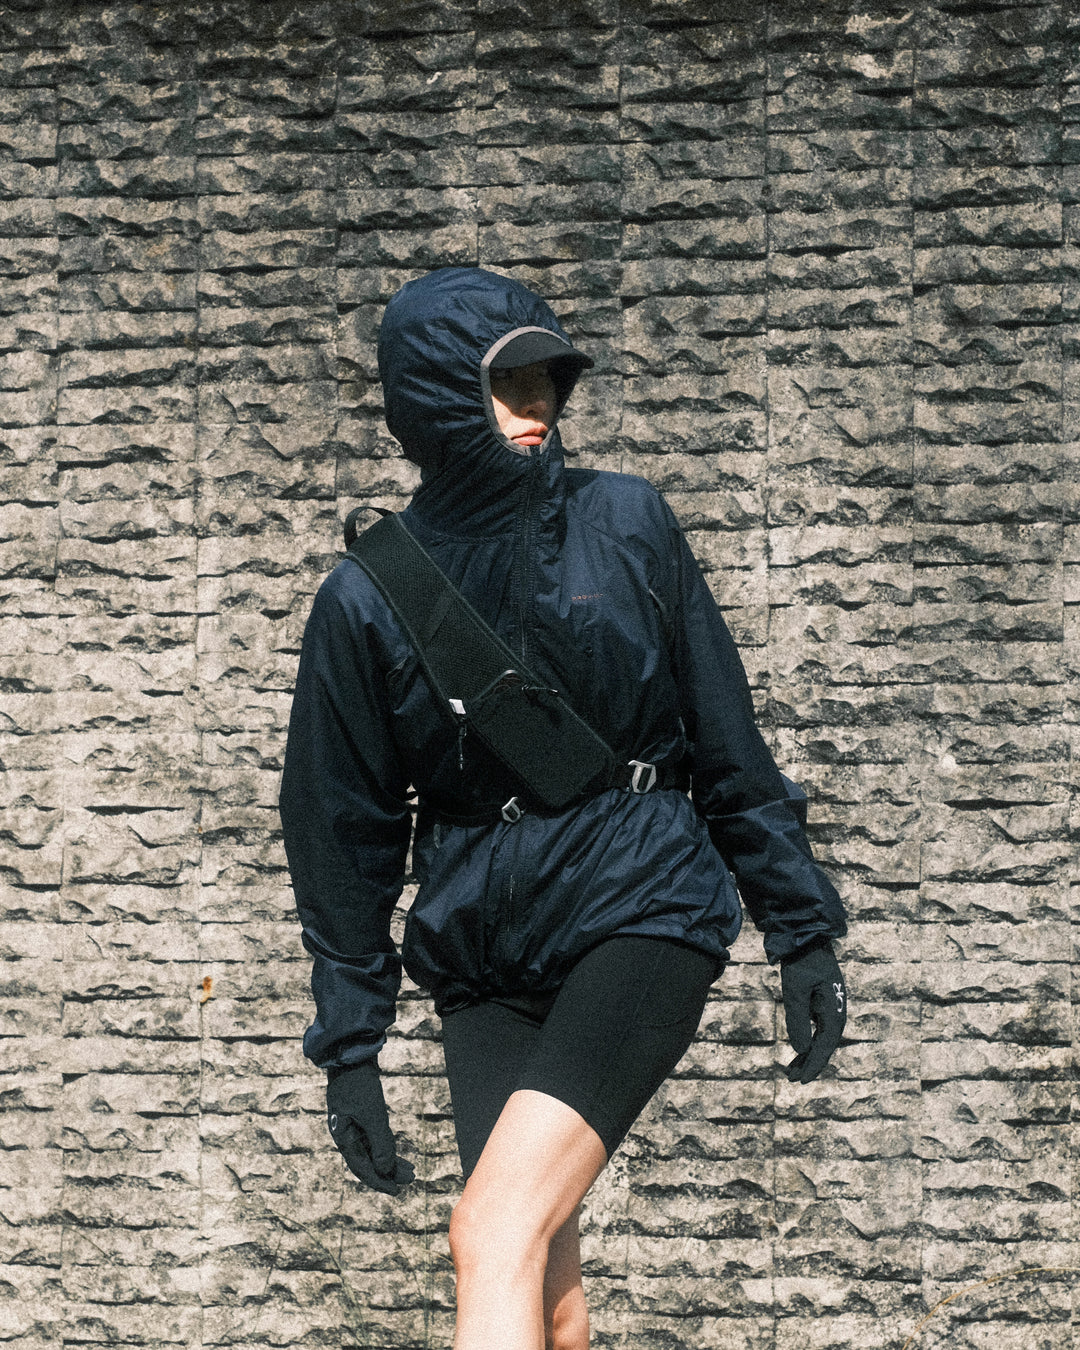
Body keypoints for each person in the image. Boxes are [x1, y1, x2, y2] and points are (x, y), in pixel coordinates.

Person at [279, 266, 848, 1350]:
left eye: (544, 382)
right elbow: (340, 830)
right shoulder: (368, 595)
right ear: (435, 400)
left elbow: (725, 734)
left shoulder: (626, 520)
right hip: (484, 953)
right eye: (504, 386)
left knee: (491, 1230)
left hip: (640, 904)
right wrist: (350, 1047)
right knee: (547, 1295)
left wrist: (800, 928)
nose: (532, 409)